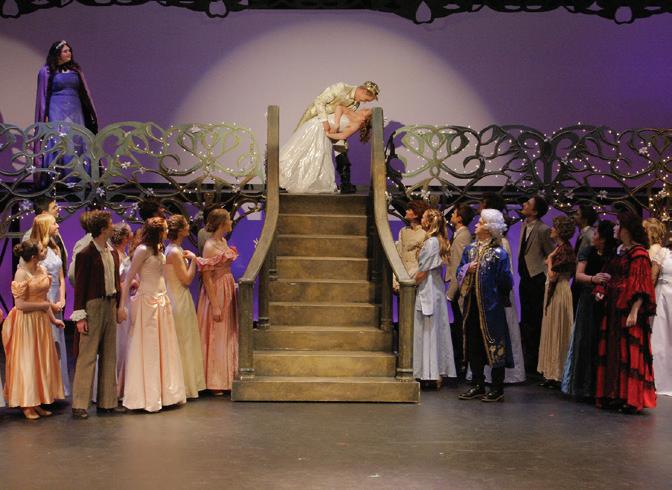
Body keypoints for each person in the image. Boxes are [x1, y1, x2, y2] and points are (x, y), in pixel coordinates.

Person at [120, 217, 186, 412]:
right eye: (165, 229)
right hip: (147, 303)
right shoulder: (142, 250)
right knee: (148, 348)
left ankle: (166, 393)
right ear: (158, 231)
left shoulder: (159, 247)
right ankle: (147, 396)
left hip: (161, 300)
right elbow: (129, 278)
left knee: (164, 346)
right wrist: (122, 306)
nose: (167, 232)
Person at [594, 211, 657, 413]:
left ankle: (631, 399)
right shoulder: (621, 252)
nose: (615, 228)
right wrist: (602, 289)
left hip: (627, 309)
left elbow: (641, 286)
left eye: (618, 225)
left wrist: (634, 311)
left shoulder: (639, 254)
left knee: (629, 352)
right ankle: (616, 394)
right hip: (614, 308)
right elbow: (611, 274)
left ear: (627, 229)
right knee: (615, 351)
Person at [71, 210, 125, 419]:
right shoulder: (86, 254)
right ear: (103, 229)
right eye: (110, 224)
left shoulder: (112, 253)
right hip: (93, 305)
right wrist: (80, 316)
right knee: (87, 355)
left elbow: (116, 283)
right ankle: (79, 404)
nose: (113, 227)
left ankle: (107, 401)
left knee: (109, 354)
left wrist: (118, 307)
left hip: (110, 303)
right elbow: (80, 287)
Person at [3, 241, 65, 420]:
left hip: (41, 322)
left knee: (39, 361)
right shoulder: (21, 273)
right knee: (28, 360)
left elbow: (44, 298)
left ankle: (36, 401)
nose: (45, 252)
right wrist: (43, 306)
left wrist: (53, 319)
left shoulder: (42, 269)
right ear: (33, 256)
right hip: (27, 322)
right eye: (42, 250)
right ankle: (26, 403)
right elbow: (20, 305)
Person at [457, 209, 514, 402]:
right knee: (474, 343)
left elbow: (506, 280)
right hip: (472, 305)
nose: (476, 225)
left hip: (491, 307)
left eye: (480, 222)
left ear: (489, 228)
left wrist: (496, 297)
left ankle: (497, 387)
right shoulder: (470, 250)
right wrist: (467, 268)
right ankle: (478, 384)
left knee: (495, 343)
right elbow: (459, 271)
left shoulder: (499, 254)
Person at [290, 81, 379, 194]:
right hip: (317, 119)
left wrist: (337, 131)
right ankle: (286, 179)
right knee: (300, 146)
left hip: (332, 128)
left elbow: (345, 120)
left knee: (341, 150)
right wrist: (325, 122)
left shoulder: (356, 104)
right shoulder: (341, 88)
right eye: (366, 99)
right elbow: (319, 101)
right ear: (363, 91)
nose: (364, 103)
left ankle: (345, 183)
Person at [561, 220, 616, 399]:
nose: (594, 236)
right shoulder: (588, 251)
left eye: (597, 234)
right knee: (584, 339)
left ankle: (599, 387)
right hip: (587, 299)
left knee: (601, 340)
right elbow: (578, 275)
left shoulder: (612, 254)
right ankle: (581, 387)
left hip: (606, 301)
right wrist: (594, 279)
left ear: (604, 238)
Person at [34, 41, 97, 187]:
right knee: (58, 140)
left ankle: (77, 179)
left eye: (69, 50)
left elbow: (85, 93)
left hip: (75, 109)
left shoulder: (76, 70)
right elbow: (43, 96)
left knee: (77, 139)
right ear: (57, 54)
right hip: (56, 108)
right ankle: (56, 179)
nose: (69, 53)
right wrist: (44, 116)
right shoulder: (46, 71)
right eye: (65, 51)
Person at [477, 193, 526, 384]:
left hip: (498, 295)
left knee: (502, 330)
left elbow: (506, 274)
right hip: (487, 294)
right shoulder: (479, 245)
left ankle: (505, 373)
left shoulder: (501, 244)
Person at [279, 104, 372, 194]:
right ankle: (282, 177)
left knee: (313, 155)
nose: (364, 108)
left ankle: (345, 184)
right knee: (299, 150)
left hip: (321, 131)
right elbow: (340, 107)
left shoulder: (356, 124)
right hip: (317, 124)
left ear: (364, 119)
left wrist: (329, 134)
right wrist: (336, 123)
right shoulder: (352, 113)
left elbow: (343, 135)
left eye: (366, 111)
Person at [197, 209, 239, 394]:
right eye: (229, 219)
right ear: (222, 223)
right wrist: (215, 305)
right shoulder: (210, 245)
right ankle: (215, 381)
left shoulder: (223, 242)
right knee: (218, 333)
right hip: (216, 290)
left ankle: (227, 377)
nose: (231, 222)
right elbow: (206, 277)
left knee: (227, 333)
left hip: (227, 287)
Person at [413, 208, 456, 387]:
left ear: (429, 222)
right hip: (434, 287)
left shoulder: (431, 243)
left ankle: (430, 372)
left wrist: (409, 284)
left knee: (428, 329)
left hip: (429, 288)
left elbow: (423, 271)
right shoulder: (438, 241)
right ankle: (432, 371)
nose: (421, 219)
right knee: (434, 329)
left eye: (423, 217)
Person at [165, 215, 206, 399]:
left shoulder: (176, 249)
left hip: (180, 297)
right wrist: (195, 261)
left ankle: (189, 383)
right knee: (183, 341)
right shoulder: (174, 251)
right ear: (181, 230)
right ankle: (183, 385)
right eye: (186, 225)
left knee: (186, 339)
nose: (189, 226)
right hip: (177, 298)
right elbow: (187, 279)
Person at [30, 213, 70, 397]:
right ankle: (44, 390)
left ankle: (56, 389)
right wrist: (50, 304)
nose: (58, 226)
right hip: (43, 301)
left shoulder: (55, 247)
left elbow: (61, 278)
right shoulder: (36, 251)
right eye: (54, 223)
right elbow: (36, 283)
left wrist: (62, 299)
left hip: (56, 300)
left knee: (58, 345)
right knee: (47, 344)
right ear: (46, 227)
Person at [537, 216, 577, 387]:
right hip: (556, 291)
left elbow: (553, 276)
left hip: (560, 290)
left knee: (558, 330)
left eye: (554, 227)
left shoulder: (565, 250)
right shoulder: (560, 248)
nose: (551, 229)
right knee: (552, 329)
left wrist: (549, 261)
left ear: (560, 231)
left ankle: (558, 373)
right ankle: (551, 372)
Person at [517, 195, 555, 373]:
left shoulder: (543, 229)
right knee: (526, 320)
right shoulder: (524, 225)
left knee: (535, 320)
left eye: (528, 204)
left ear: (535, 211)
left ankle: (536, 362)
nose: (524, 204)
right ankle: (528, 359)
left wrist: (545, 274)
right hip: (525, 279)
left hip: (537, 279)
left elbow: (551, 254)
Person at [445, 202, 475, 378]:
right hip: (456, 287)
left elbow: (460, 267)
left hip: (460, 290)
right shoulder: (459, 234)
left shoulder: (463, 236)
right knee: (458, 325)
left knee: (462, 326)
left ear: (460, 218)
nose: (451, 216)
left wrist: (451, 293)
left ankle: (464, 363)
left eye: (454, 213)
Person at [109, 223, 133, 397]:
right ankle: (114, 387)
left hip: (128, 301)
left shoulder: (124, 254)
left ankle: (123, 385)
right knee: (119, 344)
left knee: (126, 344)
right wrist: (131, 283)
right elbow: (117, 282)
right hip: (121, 303)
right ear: (124, 237)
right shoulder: (116, 255)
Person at [651, 230, 672, 396]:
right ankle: (658, 380)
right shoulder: (664, 252)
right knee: (660, 337)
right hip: (662, 297)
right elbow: (652, 277)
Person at [393, 200, 430, 291]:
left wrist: (412, 279)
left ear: (416, 214)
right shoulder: (403, 231)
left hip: (415, 279)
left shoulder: (424, 233)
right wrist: (395, 277)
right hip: (400, 275)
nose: (406, 211)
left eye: (409, 210)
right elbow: (398, 254)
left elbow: (423, 261)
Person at [23, 197, 68, 268]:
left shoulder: (53, 231)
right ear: (44, 213)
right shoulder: (31, 235)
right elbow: (25, 263)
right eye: (54, 207)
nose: (57, 208)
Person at [572, 204, 598, 307]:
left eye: (577, 214)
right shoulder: (583, 233)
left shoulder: (590, 234)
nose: (574, 216)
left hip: (584, 278)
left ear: (585, 219)